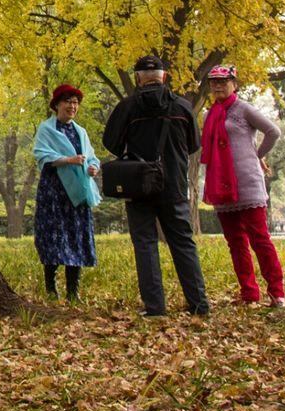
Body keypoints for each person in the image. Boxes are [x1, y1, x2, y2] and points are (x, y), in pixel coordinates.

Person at [104, 54, 209, 317]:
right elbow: (194, 145)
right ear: (163, 76)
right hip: (174, 185)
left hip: (138, 186)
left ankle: (155, 307)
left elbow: (112, 143)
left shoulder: (127, 108)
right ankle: (199, 304)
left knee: (145, 243)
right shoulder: (183, 108)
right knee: (183, 243)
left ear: (138, 78)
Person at [198, 64, 285, 307]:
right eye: (213, 82)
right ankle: (249, 292)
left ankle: (277, 292)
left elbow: (273, 131)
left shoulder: (243, 109)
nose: (217, 85)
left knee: (260, 239)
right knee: (235, 242)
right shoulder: (209, 114)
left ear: (234, 83)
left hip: (247, 182)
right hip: (220, 184)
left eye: (223, 81)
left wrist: (257, 154)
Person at [32, 84, 101, 299]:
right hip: (54, 191)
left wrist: (93, 167)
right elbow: (42, 156)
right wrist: (68, 160)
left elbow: (91, 157)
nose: (72, 106)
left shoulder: (81, 132)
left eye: (75, 103)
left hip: (77, 193)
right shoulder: (47, 129)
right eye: (68, 102)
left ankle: (73, 291)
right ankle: (51, 289)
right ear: (57, 105)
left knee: (76, 235)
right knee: (52, 235)